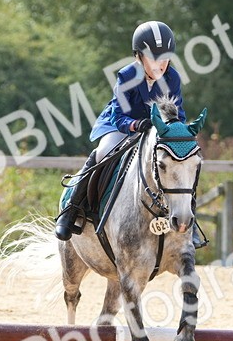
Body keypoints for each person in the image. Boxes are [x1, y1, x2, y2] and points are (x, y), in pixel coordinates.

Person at [54, 20, 187, 241]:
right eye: (154, 58)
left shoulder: (173, 78)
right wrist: (136, 126)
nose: (160, 64)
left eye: (165, 58)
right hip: (122, 125)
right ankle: (71, 210)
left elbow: (178, 115)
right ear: (139, 56)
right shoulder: (127, 76)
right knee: (103, 152)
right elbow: (120, 116)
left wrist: (174, 133)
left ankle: (187, 223)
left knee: (181, 161)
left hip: (155, 131)